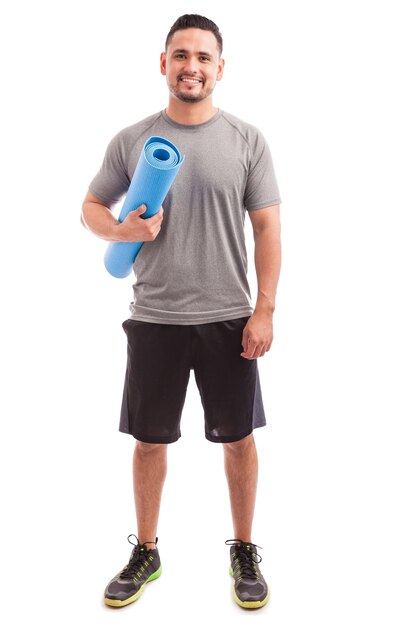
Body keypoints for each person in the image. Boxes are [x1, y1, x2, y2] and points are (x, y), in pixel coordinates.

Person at [81, 13, 282, 610]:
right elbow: (90, 206)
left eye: (202, 57)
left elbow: (268, 228)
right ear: (163, 63)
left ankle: (243, 550)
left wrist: (264, 310)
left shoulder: (247, 141)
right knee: (148, 441)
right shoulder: (133, 140)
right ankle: (147, 550)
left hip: (229, 318)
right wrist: (122, 227)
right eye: (180, 55)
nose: (190, 66)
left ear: (220, 68)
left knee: (239, 438)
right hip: (155, 318)